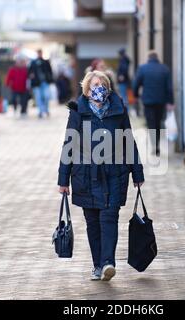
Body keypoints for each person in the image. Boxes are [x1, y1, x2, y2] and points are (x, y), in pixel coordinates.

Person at [57, 71, 144, 282]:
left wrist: (137, 172)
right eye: (95, 84)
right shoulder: (78, 111)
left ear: (108, 87)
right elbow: (69, 146)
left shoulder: (119, 109)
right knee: (93, 223)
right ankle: (97, 265)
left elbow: (128, 141)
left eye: (102, 84)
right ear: (87, 90)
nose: (99, 88)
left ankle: (108, 263)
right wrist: (63, 180)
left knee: (109, 217)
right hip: (85, 175)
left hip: (115, 173)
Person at [133, 51, 174, 156]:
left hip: (148, 101)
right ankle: (157, 145)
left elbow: (136, 83)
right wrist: (170, 101)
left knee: (151, 123)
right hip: (161, 100)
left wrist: (136, 95)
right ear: (157, 57)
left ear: (148, 58)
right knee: (158, 122)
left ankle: (154, 145)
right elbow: (169, 87)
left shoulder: (143, 68)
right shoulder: (164, 69)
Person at [28, 49, 53, 118]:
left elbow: (50, 71)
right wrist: (31, 75)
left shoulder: (46, 62)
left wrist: (50, 80)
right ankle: (41, 111)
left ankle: (46, 109)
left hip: (45, 82)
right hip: (36, 83)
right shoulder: (33, 62)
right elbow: (29, 72)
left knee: (46, 96)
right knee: (38, 98)